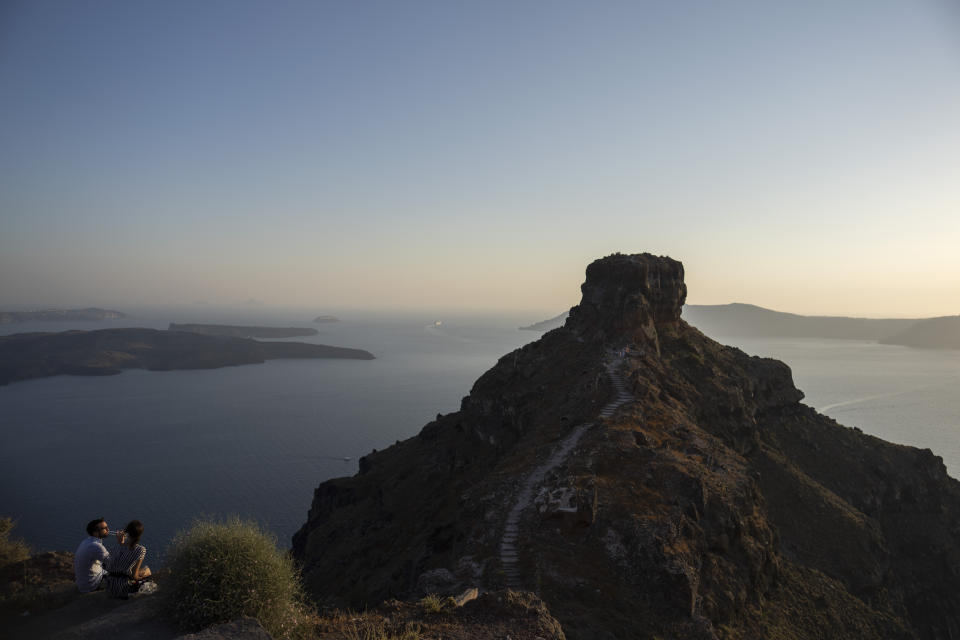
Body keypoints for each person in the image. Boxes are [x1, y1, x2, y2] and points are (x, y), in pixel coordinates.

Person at [103, 520, 153, 598]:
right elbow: (134, 576)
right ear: (139, 535)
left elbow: (109, 566)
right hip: (123, 589)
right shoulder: (141, 550)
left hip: (110, 587)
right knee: (147, 570)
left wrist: (120, 543)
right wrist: (142, 578)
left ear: (126, 531)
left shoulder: (117, 546)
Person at [74, 517, 113, 592]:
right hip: (92, 585)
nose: (108, 529)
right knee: (122, 575)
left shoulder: (86, 541)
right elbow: (114, 563)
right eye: (104, 528)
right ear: (95, 532)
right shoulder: (96, 546)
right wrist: (122, 544)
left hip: (83, 583)